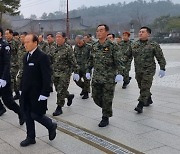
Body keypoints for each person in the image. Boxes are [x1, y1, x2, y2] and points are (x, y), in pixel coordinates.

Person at [20, 34, 57, 147]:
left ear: (35, 43)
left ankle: (51, 125)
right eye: (24, 42)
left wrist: (45, 92)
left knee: (36, 114)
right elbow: (24, 74)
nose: (25, 44)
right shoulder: (25, 56)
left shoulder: (42, 56)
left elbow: (47, 76)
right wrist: (21, 88)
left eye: (27, 42)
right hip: (26, 91)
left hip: (37, 92)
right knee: (27, 114)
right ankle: (30, 137)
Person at [86, 24, 124, 127]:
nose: (98, 33)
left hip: (109, 78)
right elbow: (90, 60)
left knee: (107, 98)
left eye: (101, 30)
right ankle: (106, 108)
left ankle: (105, 117)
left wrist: (120, 73)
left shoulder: (113, 46)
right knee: (95, 97)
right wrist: (88, 70)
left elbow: (119, 60)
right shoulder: (94, 46)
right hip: (97, 77)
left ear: (107, 32)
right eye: (97, 31)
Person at [130, 26, 166, 113]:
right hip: (138, 70)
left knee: (145, 86)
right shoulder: (134, 44)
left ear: (148, 34)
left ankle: (140, 105)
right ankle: (148, 99)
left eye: (143, 32)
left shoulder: (153, 45)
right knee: (141, 86)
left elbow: (160, 57)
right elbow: (127, 56)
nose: (140, 33)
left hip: (149, 70)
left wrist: (162, 68)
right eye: (140, 32)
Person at [0, 27, 24, 125]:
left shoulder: (5, 46)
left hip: (3, 77)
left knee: (8, 101)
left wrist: (4, 78)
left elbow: (7, 63)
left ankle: (20, 112)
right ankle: (1, 108)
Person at [52, 32, 79, 116]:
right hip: (55, 72)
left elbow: (73, 61)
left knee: (60, 90)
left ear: (64, 38)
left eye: (59, 37)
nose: (57, 38)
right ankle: (69, 96)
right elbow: (49, 58)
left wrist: (76, 72)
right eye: (56, 37)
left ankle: (59, 107)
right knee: (58, 89)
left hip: (65, 73)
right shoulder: (53, 48)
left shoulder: (68, 49)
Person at [74, 35, 91, 99]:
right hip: (78, 67)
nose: (78, 44)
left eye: (79, 42)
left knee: (87, 80)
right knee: (76, 80)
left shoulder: (88, 47)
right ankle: (84, 88)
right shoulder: (76, 47)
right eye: (77, 42)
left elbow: (91, 58)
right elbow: (74, 57)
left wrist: (89, 69)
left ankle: (86, 93)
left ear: (83, 40)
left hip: (86, 67)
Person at [5, 29, 20, 100]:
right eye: (5, 34)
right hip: (7, 64)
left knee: (11, 78)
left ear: (11, 34)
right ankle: (17, 93)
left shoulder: (16, 42)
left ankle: (9, 96)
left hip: (15, 64)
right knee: (13, 79)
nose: (6, 35)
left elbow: (20, 52)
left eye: (7, 34)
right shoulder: (4, 43)